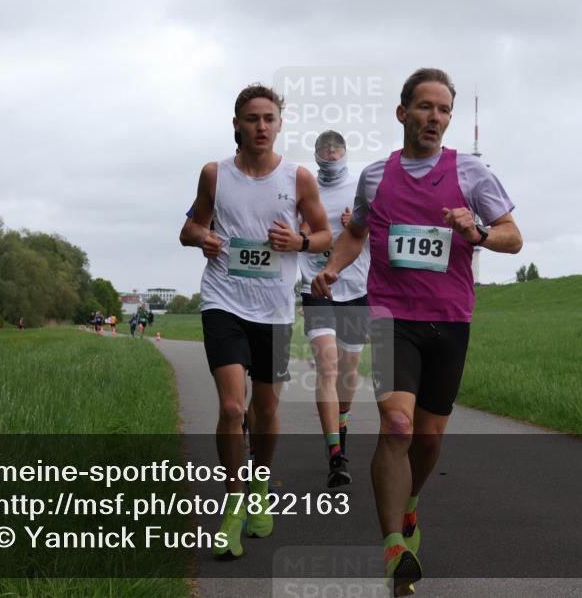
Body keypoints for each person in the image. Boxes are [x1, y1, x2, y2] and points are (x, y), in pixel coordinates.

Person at [312, 68, 522, 594]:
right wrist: (335, 268)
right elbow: (355, 232)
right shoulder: (376, 177)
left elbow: (513, 238)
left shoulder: (471, 173)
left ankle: (409, 506)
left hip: (450, 320)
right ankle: (392, 548)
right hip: (390, 317)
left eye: (444, 110)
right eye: (425, 107)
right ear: (402, 112)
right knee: (398, 427)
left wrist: (475, 231)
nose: (435, 118)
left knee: (428, 439)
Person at [180, 83, 330, 559]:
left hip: (273, 308)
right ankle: (233, 503)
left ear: (279, 124)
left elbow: (326, 234)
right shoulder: (214, 175)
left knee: (264, 411)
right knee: (230, 408)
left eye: (269, 118)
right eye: (252, 118)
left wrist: (300, 244)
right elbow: (189, 228)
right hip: (223, 300)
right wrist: (201, 237)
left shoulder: (298, 178)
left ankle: (260, 485)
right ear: (237, 125)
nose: (261, 126)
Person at [298, 130, 370, 488]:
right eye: (323, 149)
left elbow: (378, 230)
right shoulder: (305, 188)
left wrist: (356, 229)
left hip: (356, 288)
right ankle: (335, 455)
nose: (329, 154)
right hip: (316, 287)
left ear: (345, 152)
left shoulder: (361, 185)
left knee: (348, 372)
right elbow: (292, 234)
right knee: (327, 362)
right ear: (316, 155)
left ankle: (341, 422)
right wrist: (302, 234)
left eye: (335, 148)